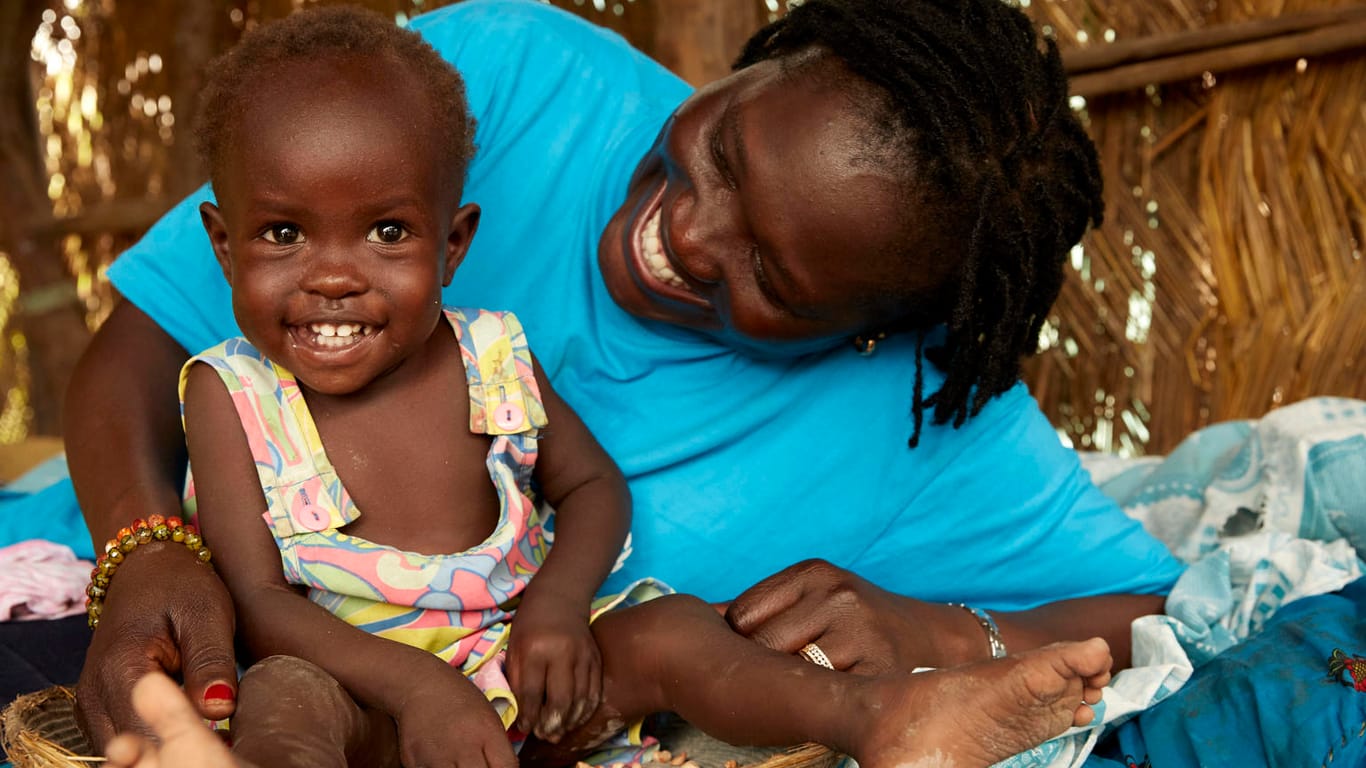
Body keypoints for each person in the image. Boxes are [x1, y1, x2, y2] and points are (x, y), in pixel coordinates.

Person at [63, 0, 1183, 751]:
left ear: (879, 331)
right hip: (261, 636)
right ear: (759, 65)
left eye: (772, 278)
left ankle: (890, 723)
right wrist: (144, 549)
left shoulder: (927, 421)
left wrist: (936, 633)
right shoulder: (513, 77)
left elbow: (1149, 612)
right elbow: (133, 355)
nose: (688, 234)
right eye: (728, 152)